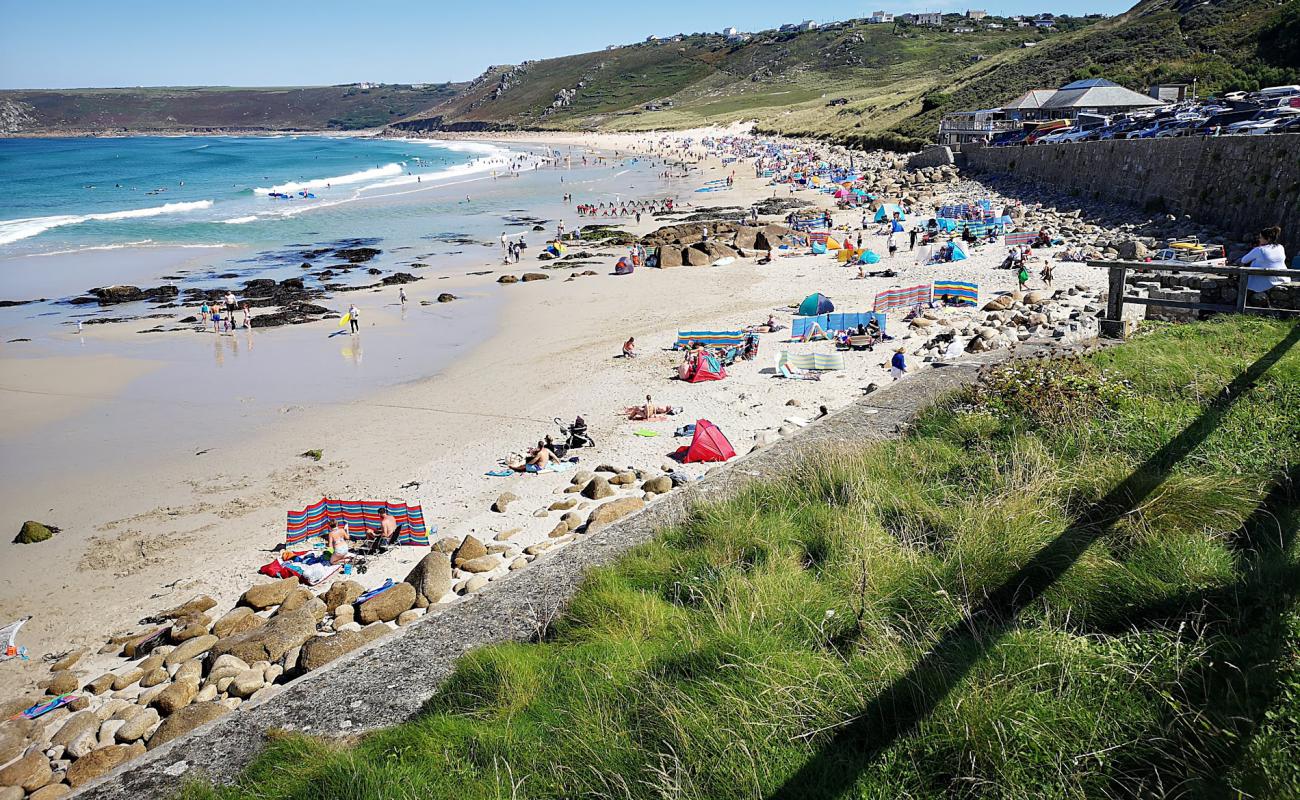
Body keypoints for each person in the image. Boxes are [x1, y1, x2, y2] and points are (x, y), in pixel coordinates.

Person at [1241, 226, 1289, 294]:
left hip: (1265, 282)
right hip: (1282, 278)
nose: (1259, 239)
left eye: (1261, 237)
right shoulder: (1281, 247)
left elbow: (1243, 260)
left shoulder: (1260, 250)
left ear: (1268, 239)